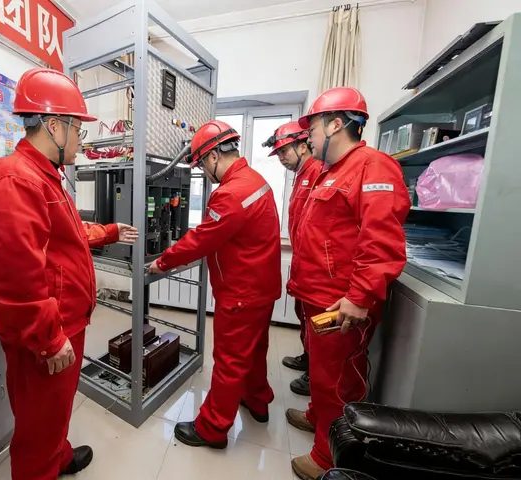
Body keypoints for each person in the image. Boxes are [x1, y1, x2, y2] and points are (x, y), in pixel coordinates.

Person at [0, 68, 138, 480]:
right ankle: (44, 465)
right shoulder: (13, 180)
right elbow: (17, 276)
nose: (82, 140)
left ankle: (59, 456)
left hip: (64, 322)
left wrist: (111, 232)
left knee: (55, 410)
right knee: (37, 428)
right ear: (54, 126)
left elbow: (68, 235)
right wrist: (48, 339)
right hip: (44, 333)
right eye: (78, 129)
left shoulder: (45, 177)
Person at [285, 87, 411, 480]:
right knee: (323, 376)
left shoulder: (373, 167)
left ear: (336, 124)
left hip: (342, 303)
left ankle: (328, 456)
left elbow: (382, 242)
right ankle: (316, 418)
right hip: (317, 295)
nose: (309, 138)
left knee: (337, 382)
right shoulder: (329, 171)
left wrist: (359, 297)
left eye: (312, 130)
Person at [147, 120, 282, 449]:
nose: (204, 173)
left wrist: (163, 261)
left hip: (241, 293)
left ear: (212, 157)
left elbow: (202, 239)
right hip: (261, 289)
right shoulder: (256, 181)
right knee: (255, 352)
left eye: (201, 165)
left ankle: (212, 428)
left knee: (229, 361)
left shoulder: (231, 193)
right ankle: (258, 401)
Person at [265, 122, 323, 398]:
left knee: (317, 324)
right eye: (278, 153)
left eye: (284, 151)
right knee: (305, 317)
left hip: (317, 267)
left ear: (302, 146)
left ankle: (316, 374)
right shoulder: (302, 175)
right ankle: (308, 358)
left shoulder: (319, 172)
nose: (281, 158)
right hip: (304, 263)